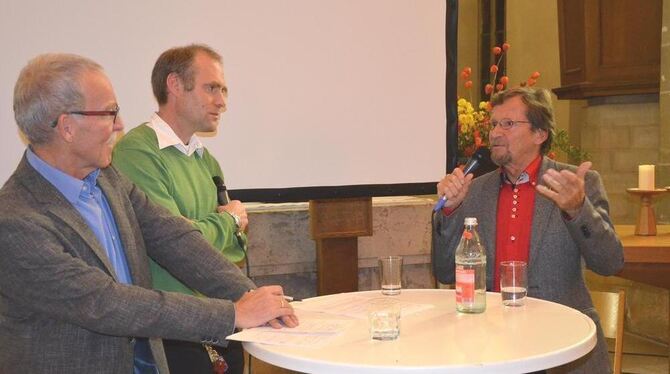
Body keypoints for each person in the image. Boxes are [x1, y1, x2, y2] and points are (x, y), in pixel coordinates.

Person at [0, 52, 298, 374]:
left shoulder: (107, 177)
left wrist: (252, 297)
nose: (120, 125)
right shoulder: (15, 221)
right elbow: (106, 302)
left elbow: (174, 238)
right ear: (67, 126)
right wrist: (233, 314)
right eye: (109, 113)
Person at [432, 87, 624, 373]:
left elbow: (610, 263)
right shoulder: (474, 191)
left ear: (540, 134)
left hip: (563, 347)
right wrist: (450, 211)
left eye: (508, 124)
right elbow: (445, 272)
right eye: (493, 124)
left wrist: (578, 209)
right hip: (490, 349)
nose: (495, 133)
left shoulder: (573, 185)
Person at [112, 44, 249, 373]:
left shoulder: (206, 158)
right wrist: (228, 220)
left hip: (221, 323)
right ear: (174, 85)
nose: (221, 101)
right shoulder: (137, 151)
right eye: (211, 88)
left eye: (223, 90)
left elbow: (232, 251)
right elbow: (175, 244)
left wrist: (211, 227)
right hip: (171, 332)